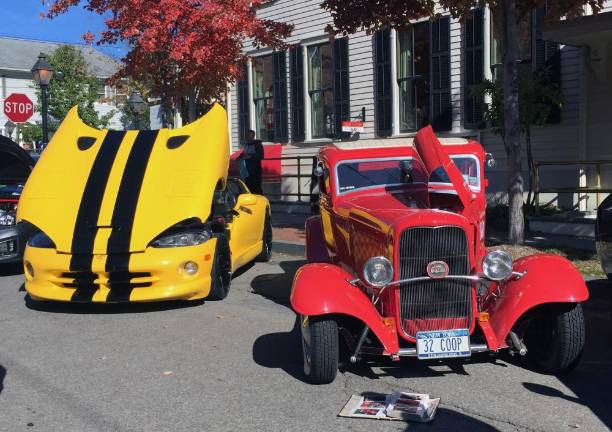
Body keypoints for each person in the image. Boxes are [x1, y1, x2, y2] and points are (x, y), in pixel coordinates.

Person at [240, 130, 264, 194]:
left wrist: (251, 157)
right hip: (247, 171)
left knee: (257, 188)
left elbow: (261, 155)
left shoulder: (257, 145)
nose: (247, 137)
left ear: (253, 136)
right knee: (248, 188)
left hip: (255, 171)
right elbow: (243, 154)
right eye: (246, 136)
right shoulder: (246, 145)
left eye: (248, 135)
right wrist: (239, 158)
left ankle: (261, 202)